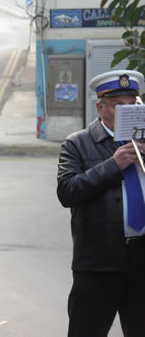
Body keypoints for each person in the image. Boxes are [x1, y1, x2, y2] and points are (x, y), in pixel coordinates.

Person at [57, 70, 145, 336]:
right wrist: (114, 165)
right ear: (100, 106)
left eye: (133, 105)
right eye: (119, 106)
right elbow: (67, 192)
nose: (127, 111)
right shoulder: (78, 143)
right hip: (98, 262)